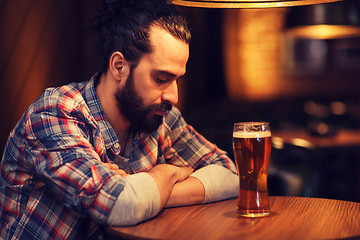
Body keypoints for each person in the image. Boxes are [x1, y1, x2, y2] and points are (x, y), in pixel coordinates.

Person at [0, 0, 238, 239]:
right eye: (161, 78)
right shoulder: (54, 113)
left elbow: (230, 175)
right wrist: (166, 174)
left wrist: (147, 191)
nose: (174, 96)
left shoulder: (160, 117)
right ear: (119, 66)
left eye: (177, 79)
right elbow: (119, 205)